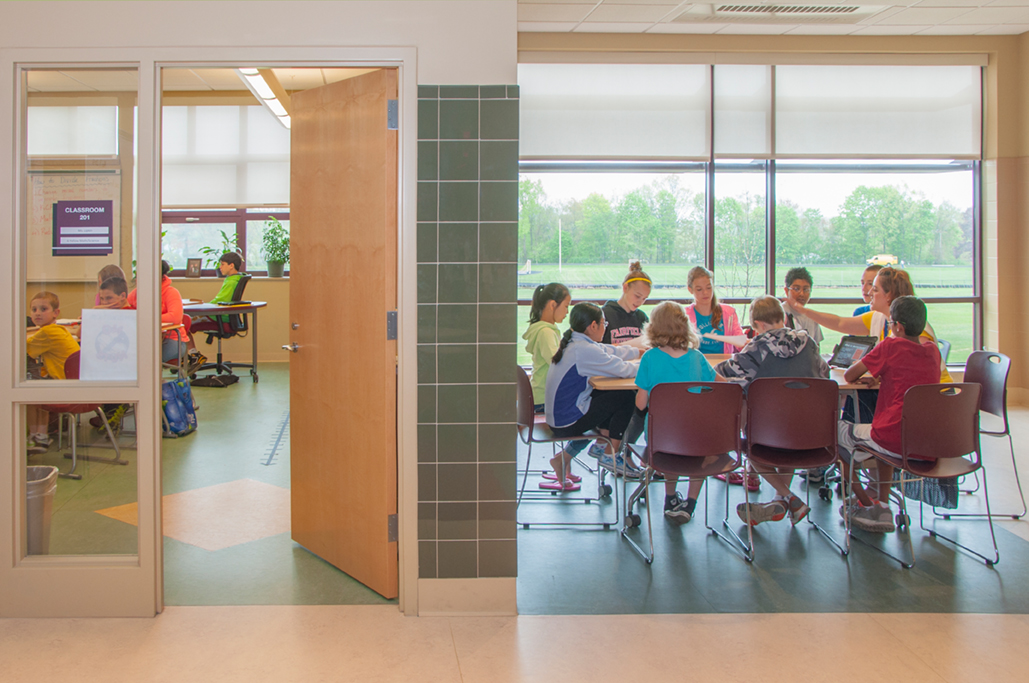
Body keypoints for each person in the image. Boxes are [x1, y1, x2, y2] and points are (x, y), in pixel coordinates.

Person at [717, 296, 830, 526]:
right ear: (783, 318)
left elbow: (727, 371)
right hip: (809, 431)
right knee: (790, 434)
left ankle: (788, 496)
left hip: (768, 434)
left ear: (758, 324)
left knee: (747, 444)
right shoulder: (808, 343)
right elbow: (824, 373)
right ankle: (780, 501)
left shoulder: (757, 347)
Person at [836, 296, 941, 533]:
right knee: (882, 438)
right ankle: (882, 503)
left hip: (891, 436)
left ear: (897, 327)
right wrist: (884, 375)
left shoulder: (890, 346)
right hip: (923, 441)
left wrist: (877, 372)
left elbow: (851, 376)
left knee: (833, 434)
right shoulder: (933, 351)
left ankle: (865, 503)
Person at [630, 301, 717, 523]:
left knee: (671, 456)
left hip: (661, 437)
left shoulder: (650, 358)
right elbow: (721, 387)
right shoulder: (697, 357)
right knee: (697, 458)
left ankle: (670, 497)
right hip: (695, 433)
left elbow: (641, 404)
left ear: (654, 328)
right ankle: (690, 503)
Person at [787, 266, 951, 382]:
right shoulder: (878, 318)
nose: (870, 292)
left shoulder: (916, 334)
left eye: (875, 288)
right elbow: (840, 322)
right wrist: (803, 310)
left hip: (933, 399)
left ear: (889, 296)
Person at [544, 303, 641, 490]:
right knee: (626, 397)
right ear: (593, 326)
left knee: (606, 396)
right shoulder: (584, 350)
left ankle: (575, 454)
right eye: (604, 323)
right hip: (566, 423)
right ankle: (609, 454)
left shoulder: (578, 344)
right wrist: (650, 365)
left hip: (560, 419)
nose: (606, 327)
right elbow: (623, 370)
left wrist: (638, 352)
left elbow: (611, 351)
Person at [522, 283, 588, 483]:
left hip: (539, 398)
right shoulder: (546, 333)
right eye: (566, 306)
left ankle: (564, 463)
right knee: (589, 421)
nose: (567, 312)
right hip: (544, 401)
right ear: (553, 305)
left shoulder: (543, 330)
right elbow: (558, 364)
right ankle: (563, 459)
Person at [26, 291, 81, 454]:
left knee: (27, 394)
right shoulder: (59, 329)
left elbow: (23, 349)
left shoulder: (46, 333)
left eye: (43, 309)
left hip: (65, 389)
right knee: (38, 388)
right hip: (75, 385)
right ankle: (41, 435)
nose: (37, 313)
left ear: (56, 313)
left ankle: (34, 437)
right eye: (34, 309)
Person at [183, 251, 245, 371]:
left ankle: (194, 356)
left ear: (231, 265)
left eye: (222, 264)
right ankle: (192, 357)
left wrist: (203, 306)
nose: (220, 267)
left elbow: (220, 301)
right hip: (223, 317)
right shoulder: (235, 279)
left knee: (184, 324)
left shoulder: (232, 282)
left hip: (219, 318)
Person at [127, 260, 186, 364]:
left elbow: (175, 317)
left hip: (171, 339)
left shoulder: (171, 292)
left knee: (146, 361)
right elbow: (126, 311)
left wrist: (147, 318)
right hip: (145, 338)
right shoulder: (136, 293)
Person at [684, 266, 745, 355]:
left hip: (724, 364)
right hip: (696, 364)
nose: (705, 293)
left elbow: (741, 343)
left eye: (709, 288)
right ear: (690, 290)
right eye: (699, 289)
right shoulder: (685, 315)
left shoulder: (729, 313)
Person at [602, 261, 651, 347]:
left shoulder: (642, 317)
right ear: (625, 288)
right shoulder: (605, 314)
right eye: (637, 296)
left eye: (644, 298)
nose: (640, 302)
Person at [781, 266, 823, 352]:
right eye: (796, 289)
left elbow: (816, 349)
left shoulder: (811, 316)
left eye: (806, 289)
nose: (801, 293)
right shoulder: (779, 313)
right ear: (786, 290)